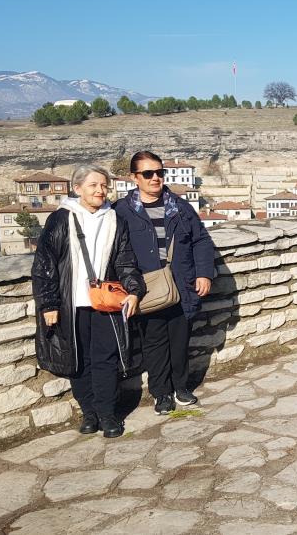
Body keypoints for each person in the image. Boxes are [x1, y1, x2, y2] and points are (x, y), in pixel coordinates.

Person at [33, 165, 145, 438]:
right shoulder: (61, 219)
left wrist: (133, 290)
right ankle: (89, 413)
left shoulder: (114, 220)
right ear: (77, 188)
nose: (100, 190)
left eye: (104, 186)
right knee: (78, 361)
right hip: (70, 305)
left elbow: (125, 260)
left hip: (104, 304)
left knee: (105, 360)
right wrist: (49, 304)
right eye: (94, 185)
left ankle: (108, 415)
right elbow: (45, 264)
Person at [115, 151, 216, 413]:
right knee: (154, 344)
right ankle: (162, 394)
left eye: (160, 172)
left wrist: (204, 273)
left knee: (180, 340)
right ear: (134, 177)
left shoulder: (180, 208)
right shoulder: (122, 212)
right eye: (148, 173)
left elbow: (201, 241)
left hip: (181, 284)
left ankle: (181, 387)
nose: (155, 178)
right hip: (146, 288)